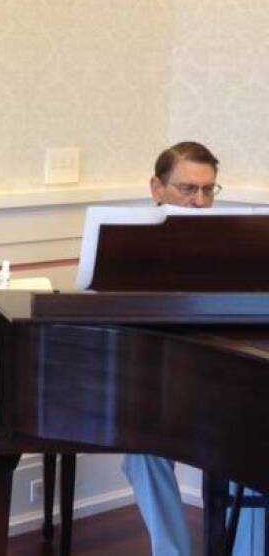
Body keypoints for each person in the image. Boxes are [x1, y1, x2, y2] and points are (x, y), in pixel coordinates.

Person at [126, 140, 264, 556]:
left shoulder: (236, 243)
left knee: (258, 446)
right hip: (161, 386)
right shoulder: (123, 247)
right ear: (157, 187)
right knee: (142, 452)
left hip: (231, 380)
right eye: (188, 190)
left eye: (208, 191)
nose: (200, 202)